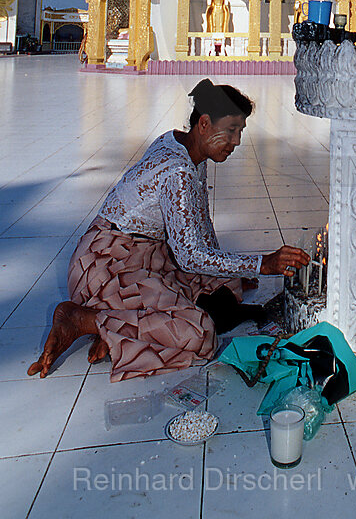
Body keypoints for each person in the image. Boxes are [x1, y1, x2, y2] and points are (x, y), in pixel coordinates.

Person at [28, 79, 309, 381]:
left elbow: (199, 222)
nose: (237, 141)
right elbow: (189, 257)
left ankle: (120, 326)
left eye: (240, 131)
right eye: (230, 130)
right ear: (204, 123)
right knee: (200, 334)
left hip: (144, 254)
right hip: (107, 268)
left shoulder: (177, 142)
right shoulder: (178, 171)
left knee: (229, 284)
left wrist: (230, 271)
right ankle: (85, 319)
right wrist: (262, 263)